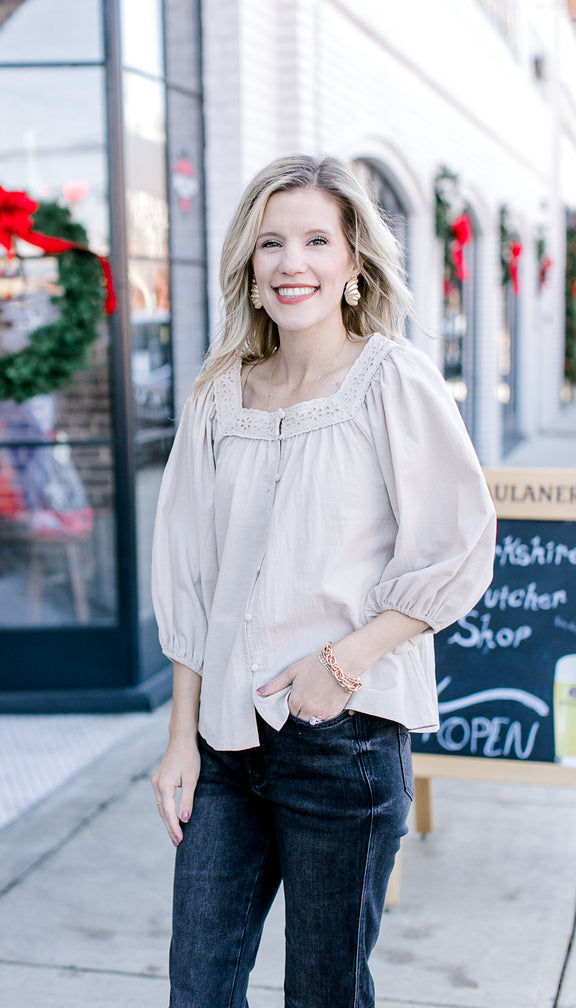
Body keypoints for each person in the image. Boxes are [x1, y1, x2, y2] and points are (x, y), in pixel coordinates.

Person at [150, 154, 496, 1008]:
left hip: (342, 744)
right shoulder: (218, 397)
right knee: (197, 990)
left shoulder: (392, 380)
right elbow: (188, 576)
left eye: (315, 240)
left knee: (323, 994)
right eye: (271, 242)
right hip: (226, 749)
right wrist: (179, 740)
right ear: (249, 265)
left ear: (353, 264)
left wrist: (339, 667)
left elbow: (457, 547)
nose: (290, 261)